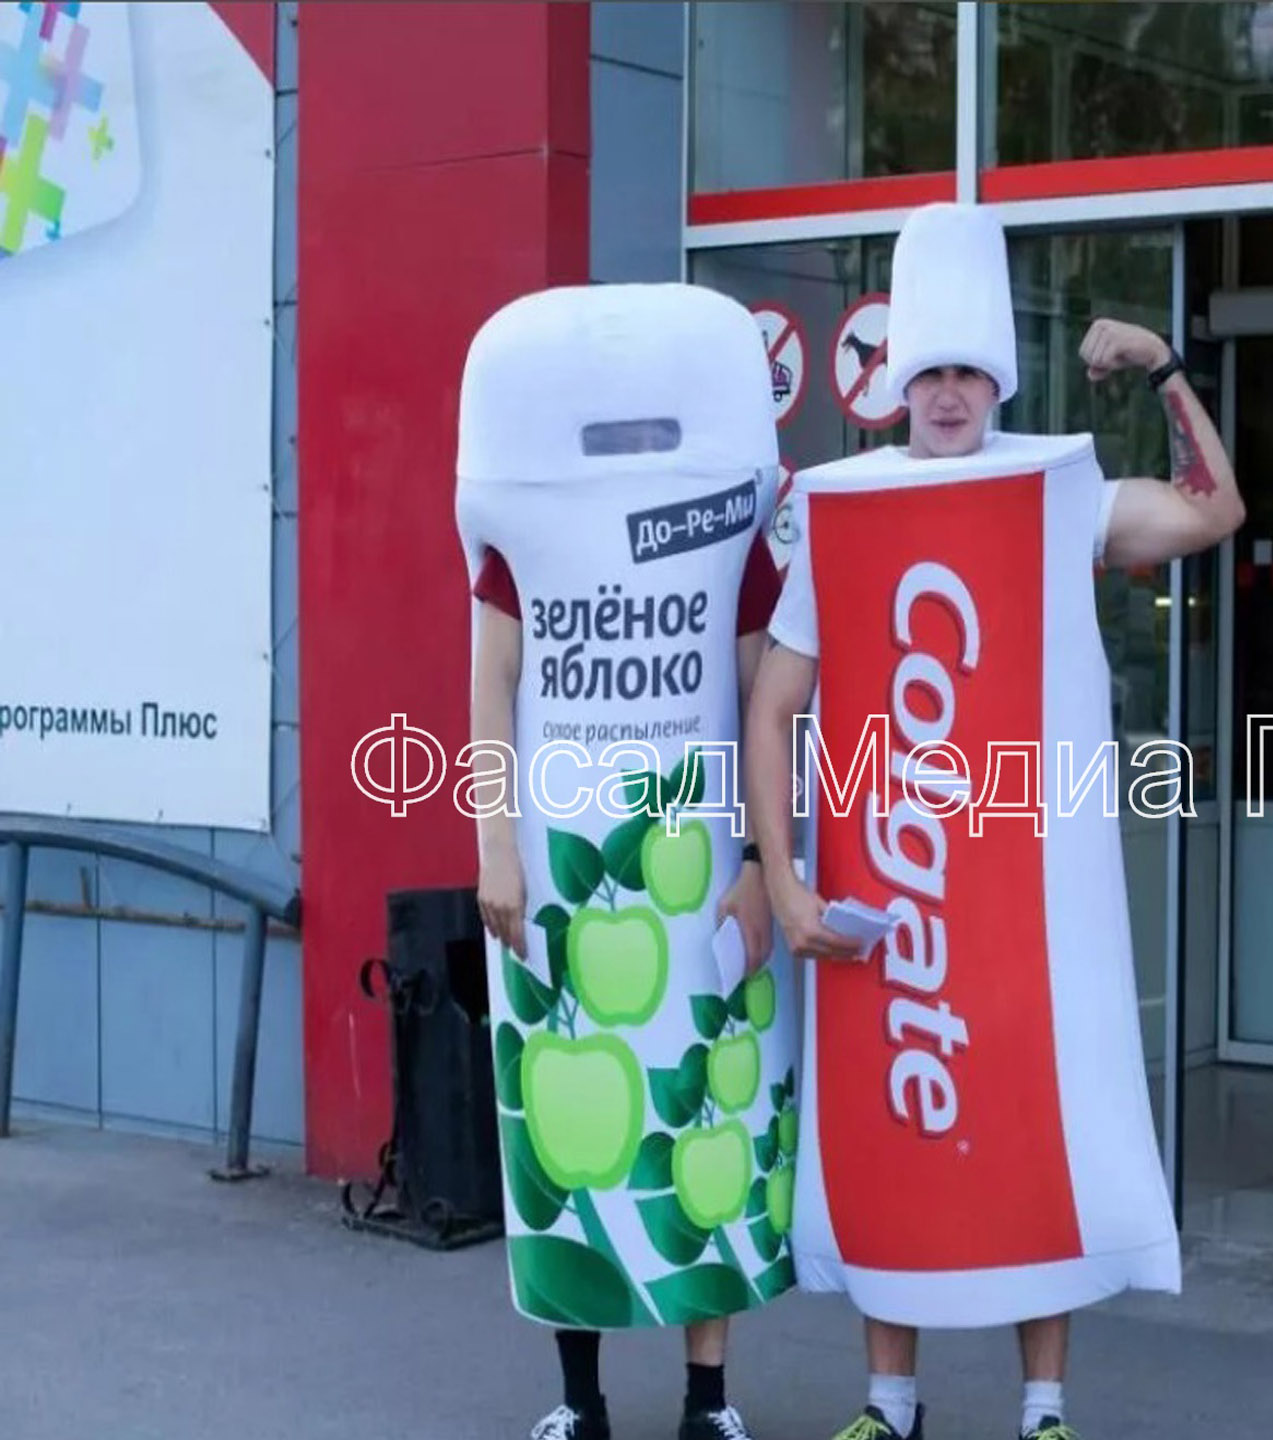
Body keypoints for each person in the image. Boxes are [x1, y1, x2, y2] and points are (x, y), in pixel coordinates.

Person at [741, 203, 1244, 1440]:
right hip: (889, 889)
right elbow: (773, 707)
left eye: (969, 371)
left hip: (1024, 901)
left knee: (1028, 1127)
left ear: (998, 379)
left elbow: (1211, 509)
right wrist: (786, 878)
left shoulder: (1056, 492)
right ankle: (889, 1404)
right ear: (897, 384)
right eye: (931, 372)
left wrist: (1164, 367)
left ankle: (1042, 1409)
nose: (950, 393)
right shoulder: (841, 512)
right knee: (892, 1126)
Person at [458, 283, 798, 1440]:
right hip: (559, 870)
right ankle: (580, 1402)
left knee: (713, 1113)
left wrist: (759, 859)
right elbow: (492, 687)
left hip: (699, 867)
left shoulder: (733, 530)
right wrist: (495, 846)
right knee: (566, 1135)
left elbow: (758, 699)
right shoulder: (519, 537)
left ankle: (709, 1399)